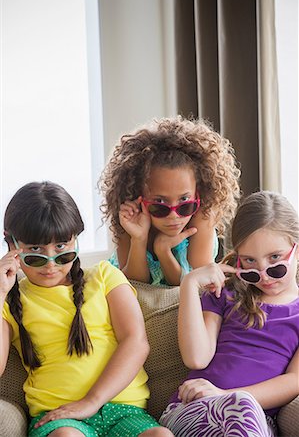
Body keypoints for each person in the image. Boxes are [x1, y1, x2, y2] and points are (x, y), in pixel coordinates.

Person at [0, 181, 173, 437]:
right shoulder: (11, 300)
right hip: (60, 417)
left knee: (161, 436)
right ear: (12, 245)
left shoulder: (105, 276)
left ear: (75, 241)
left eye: (61, 249)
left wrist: (92, 401)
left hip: (124, 411)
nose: (50, 264)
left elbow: (136, 342)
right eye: (35, 251)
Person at [159, 190, 299, 436]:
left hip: (254, 417)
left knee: (243, 408)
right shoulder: (226, 294)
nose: (263, 275)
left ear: (296, 248)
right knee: (240, 408)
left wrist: (230, 396)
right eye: (250, 263)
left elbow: (293, 381)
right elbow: (197, 358)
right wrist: (190, 284)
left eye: (275, 259)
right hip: (195, 407)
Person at [99, 116, 240, 286]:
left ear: (198, 192)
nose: (174, 216)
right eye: (160, 205)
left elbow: (195, 286)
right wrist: (139, 239)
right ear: (138, 196)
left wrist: (163, 251)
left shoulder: (202, 216)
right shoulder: (128, 219)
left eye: (185, 204)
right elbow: (136, 286)